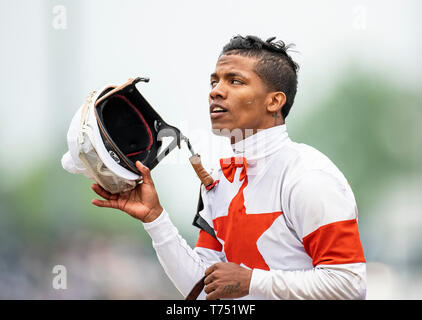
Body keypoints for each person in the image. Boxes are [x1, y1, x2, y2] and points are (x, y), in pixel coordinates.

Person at [91, 35, 366, 300]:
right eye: (214, 81)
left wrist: (252, 281)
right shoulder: (220, 180)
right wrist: (155, 219)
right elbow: (202, 289)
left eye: (235, 81)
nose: (216, 91)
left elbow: (349, 284)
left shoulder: (309, 175)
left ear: (274, 101)